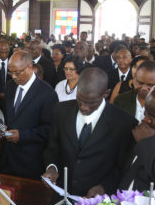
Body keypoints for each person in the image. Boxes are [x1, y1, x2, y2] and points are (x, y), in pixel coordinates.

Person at [44, 67, 138, 196]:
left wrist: (104, 187)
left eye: (91, 102)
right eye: (80, 99)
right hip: (61, 195)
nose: (84, 107)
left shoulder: (124, 123)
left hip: (97, 201)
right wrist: (52, 167)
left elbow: (123, 166)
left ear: (106, 93)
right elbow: (53, 147)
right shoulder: (61, 110)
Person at [1, 51, 58, 179]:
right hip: (8, 159)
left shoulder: (47, 93)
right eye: (11, 72)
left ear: (30, 67)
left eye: (17, 72)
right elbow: (9, 115)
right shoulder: (10, 87)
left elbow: (49, 130)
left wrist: (22, 135)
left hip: (30, 161)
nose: (14, 77)